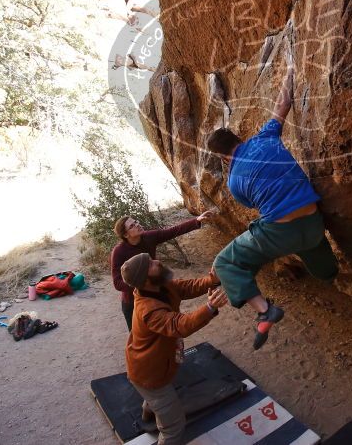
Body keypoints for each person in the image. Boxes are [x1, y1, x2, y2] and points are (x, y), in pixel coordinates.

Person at [206, 54, 338, 350]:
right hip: (314, 223)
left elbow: (253, 204)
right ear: (238, 136)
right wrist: (292, 68)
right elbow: (283, 103)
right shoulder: (265, 137)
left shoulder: (234, 180)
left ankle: (265, 311)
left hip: (281, 234)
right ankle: (328, 274)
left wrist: (235, 170)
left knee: (227, 261)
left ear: (223, 157)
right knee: (312, 246)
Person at [121, 253, 227, 445]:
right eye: (151, 264)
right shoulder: (148, 310)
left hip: (151, 366)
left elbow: (185, 287)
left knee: (155, 399)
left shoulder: (159, 285)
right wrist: (210, 307)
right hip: (149, 374)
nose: (157, 261)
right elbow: (180, 325)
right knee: (174, 427)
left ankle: (148, 413)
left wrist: (212, 279)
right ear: (145, 279)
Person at [110, 211, 214, 330]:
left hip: (155, 292)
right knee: (140, 335)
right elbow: (117, 283)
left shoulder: (149, 237)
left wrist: (197, 221)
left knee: (167, 327)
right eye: (132, 225)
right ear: (126, 235)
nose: (137, 224)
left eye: (135, 221)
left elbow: (172, 231)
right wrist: (142, 285)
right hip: (132, 302)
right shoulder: (119, 252)